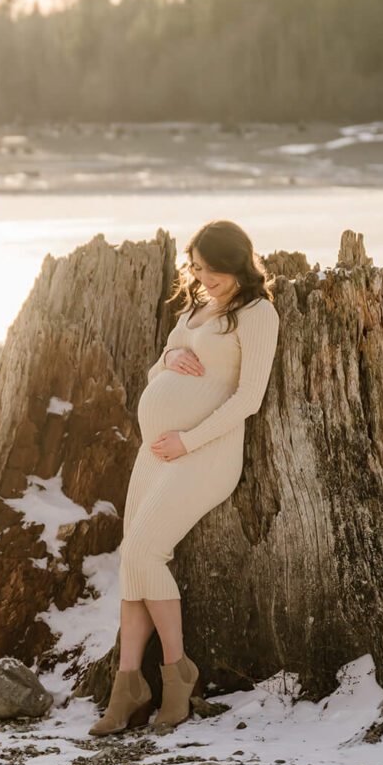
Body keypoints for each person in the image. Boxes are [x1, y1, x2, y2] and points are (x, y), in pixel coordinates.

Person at [90, 220, 279, 737]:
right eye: (195, 268)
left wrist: (187, 441)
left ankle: (177, 676)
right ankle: (127, 684)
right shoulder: (197, 306)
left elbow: (249, 399)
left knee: (142, 554)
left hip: (206, 454)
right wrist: (168, 358)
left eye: (212, 270)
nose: (203, 278)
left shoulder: (258, 314)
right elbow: (163, 362)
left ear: (238, 264)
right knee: (134, 565)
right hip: (158, 455)